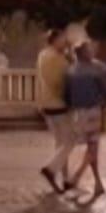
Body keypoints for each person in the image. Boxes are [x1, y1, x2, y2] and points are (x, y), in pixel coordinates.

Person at [64, 39, 106, 204]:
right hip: (93, 110)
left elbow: (67, 96)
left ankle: (84, 179)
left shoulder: (71, 70)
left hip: (78, 112)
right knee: (93, 147)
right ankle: (85, 178)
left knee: (91, 147)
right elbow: (105, 92)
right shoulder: (98, 69)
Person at [36, 24, 78, 192]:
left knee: (61, 144)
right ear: (54, 41)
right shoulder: (59, 60)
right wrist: (71, 57)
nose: (64, 43)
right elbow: (69, 77)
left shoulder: (42, 55)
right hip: (59, 104)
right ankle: (51, 169)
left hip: (46, 104)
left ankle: (65, 178)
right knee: (71, 140)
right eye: (62, 40)